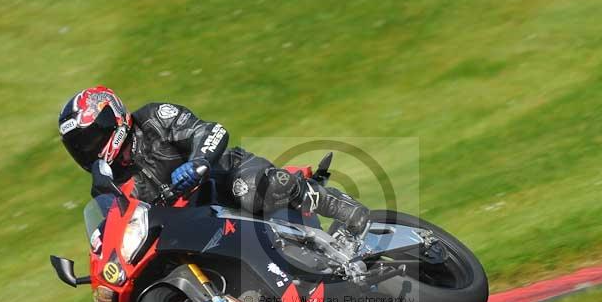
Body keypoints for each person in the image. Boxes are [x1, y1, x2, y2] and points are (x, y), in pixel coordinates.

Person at [58, 85, 369, 234]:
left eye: (91, 139)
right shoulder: (105, 186)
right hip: (197, 224)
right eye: (80, 147)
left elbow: (211, 130)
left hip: (228, 176)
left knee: (247, 188)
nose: (90, 150)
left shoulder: (153, 118)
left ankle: (345, 209)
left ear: (111, 119)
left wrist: (197, 163)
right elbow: (115, 232)